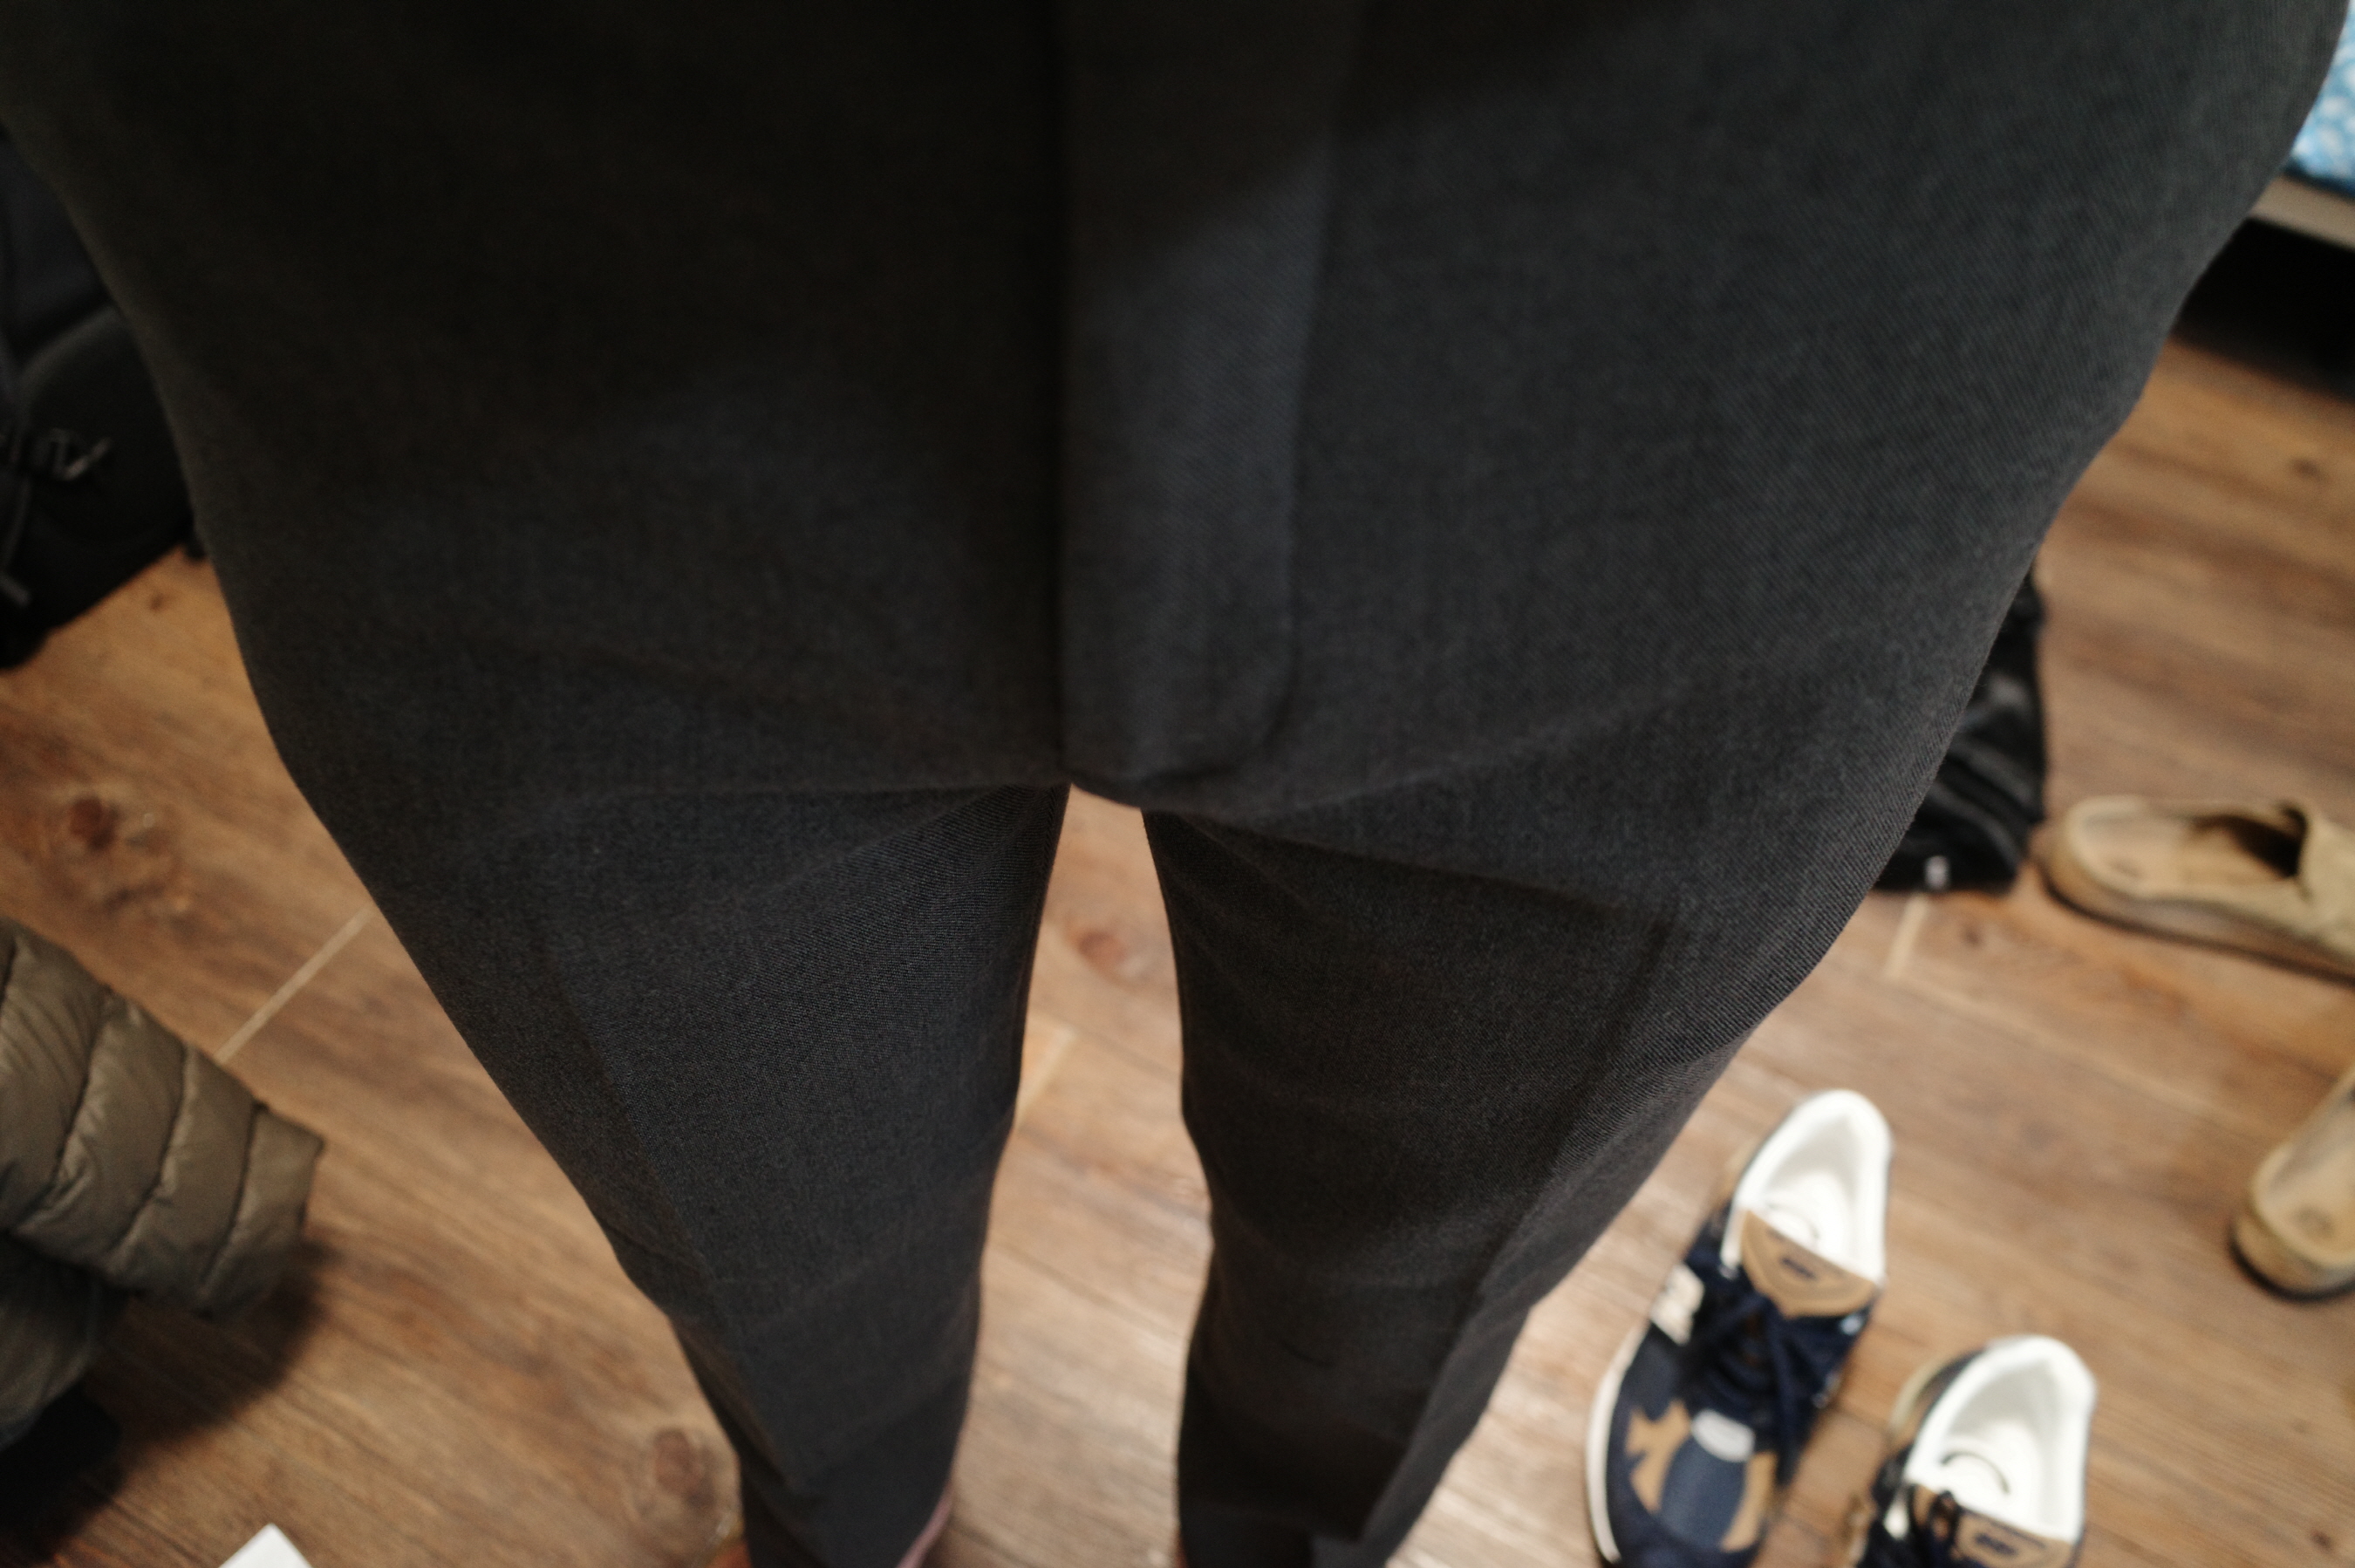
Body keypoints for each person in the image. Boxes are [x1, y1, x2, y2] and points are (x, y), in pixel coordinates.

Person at [0, 4, 2335, 1565]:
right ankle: (855, 1532)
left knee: (1397, 1310)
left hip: (1805, 312)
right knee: (785, 1290)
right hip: (465, 265)